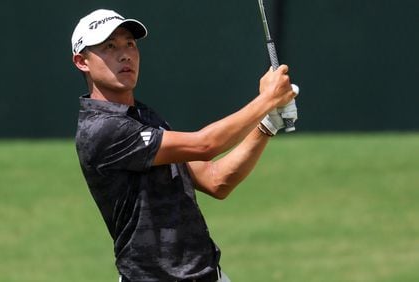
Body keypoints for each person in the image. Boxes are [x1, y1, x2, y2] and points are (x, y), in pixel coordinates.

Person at [71, 8, 298, 282]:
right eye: (109, 46)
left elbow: (216, 180)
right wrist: (267, 100)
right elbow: (205, 145)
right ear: (82, 61)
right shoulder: (102, 129)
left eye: (130, 44)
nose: (125, 54)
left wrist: (267, 124)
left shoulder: (144, 117)